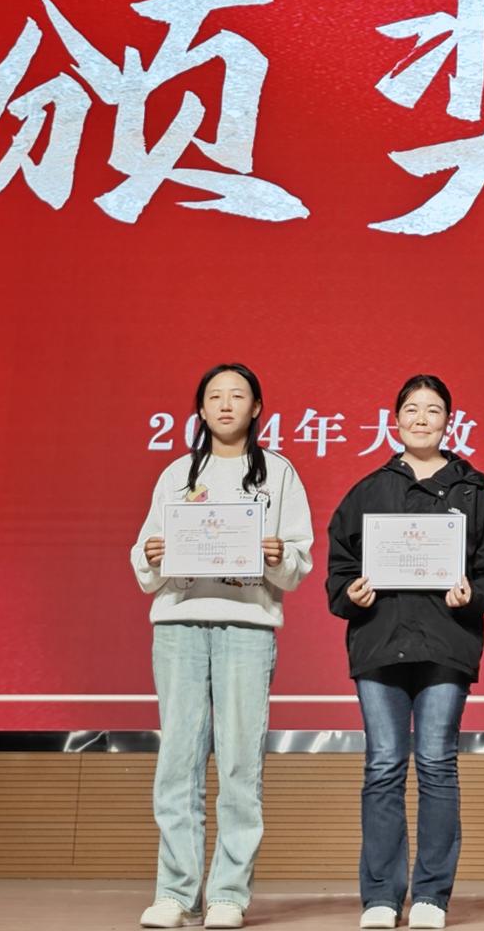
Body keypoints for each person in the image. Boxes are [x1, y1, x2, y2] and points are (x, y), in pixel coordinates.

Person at [325, 374, 484, 931]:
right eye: (411, 409)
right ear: (396, 420)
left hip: (446, 644)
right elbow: (339, 568)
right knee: (383, 765)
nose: (422, 419)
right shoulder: (367, 491)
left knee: (436, 764)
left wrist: (473, 595)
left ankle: (431, 894)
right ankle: (381, 896)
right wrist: (351, 593)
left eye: (433, 410)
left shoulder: (474, 490)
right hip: (379, 642)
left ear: (448, 422)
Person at [130, 363, 315, 930]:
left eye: (238, 395)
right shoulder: (176, 475)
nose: (226, 404)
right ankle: (175, 891)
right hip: (179, 624)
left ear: (257, 408)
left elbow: (299, 560)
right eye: (215, 396)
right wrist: (153, 555)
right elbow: (143, 557)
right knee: (178, 760)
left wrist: (280, 554)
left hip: (247, 626)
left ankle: (228, 893)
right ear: (201, 409)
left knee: (239, 761)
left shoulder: (278, 473)